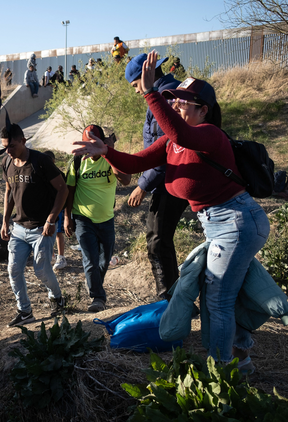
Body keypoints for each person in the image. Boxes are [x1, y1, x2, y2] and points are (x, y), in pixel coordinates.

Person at [71, 50, 269, 371]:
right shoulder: (171, 144)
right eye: (173, 100)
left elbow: (181, 132)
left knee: (216, 300)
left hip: (237, 222)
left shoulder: (208, 135)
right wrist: (106, 151)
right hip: (220, 227)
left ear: (203, 110)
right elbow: (136, 162)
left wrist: (151, 92)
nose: (175, 103)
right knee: (226, 293)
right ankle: (240, 351)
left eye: (182, 101)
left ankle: (224, 368)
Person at [124, 53, 189, 300]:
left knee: (157, 239)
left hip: (170, 180)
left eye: (134, 85)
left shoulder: (165, 97)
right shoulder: (168, 92)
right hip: (168, 179)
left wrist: (142, 185)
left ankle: (167, 300)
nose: (135, 91)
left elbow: (165, 150)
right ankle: (175, 296)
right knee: (161, 238)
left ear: (145, 77)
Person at [0, 124, 68, 327]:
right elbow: (9, 192)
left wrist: (52, 219)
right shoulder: (7, 162)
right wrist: (4, 220)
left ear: (23, 141)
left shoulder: (41, 161)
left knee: (42, 271)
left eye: (11, 146)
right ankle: (24, 311)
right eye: (5, 146)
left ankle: (57, 298)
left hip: (41, 228)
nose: (8, 151)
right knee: (13, 270)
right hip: (18, 228)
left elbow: (62, 190)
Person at [64, 126, 131, 312]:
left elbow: (126, 180)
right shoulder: (77, 162)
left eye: (93, 143)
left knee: (104, 260)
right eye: (86, 143)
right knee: (90, 260)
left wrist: (110, 156)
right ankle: (97, 298)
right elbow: (69, 190)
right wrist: (67, 218)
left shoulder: (110, 158)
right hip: (83, 218)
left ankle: (94, 285)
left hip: (107, 219)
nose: (89, 147)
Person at [43, 151, 67, 271]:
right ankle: (52, 255)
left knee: (58, 233)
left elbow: (65, 192)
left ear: (53, 161)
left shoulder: (59, 174)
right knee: (48, 232)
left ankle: (61, 257)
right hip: (46, 208)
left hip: (58, 208)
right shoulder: (41, 174)